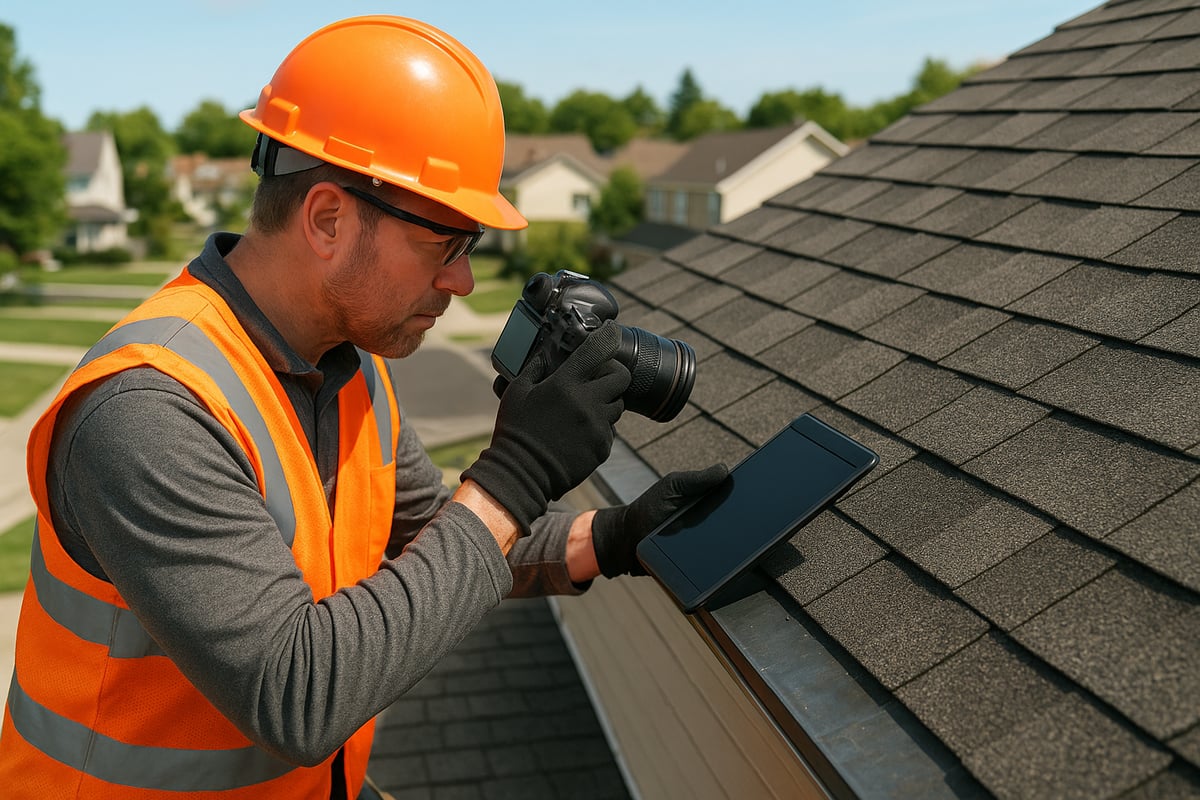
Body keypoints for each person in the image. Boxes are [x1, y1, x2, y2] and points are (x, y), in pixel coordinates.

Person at [0, 15, 727, 800]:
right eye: (445, 244)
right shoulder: (149, 409)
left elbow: (432, 539)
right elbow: (296, 693)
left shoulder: (348, 370)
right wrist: (518, 471)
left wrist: (613, 536)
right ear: (326, 220)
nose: (462, 283)